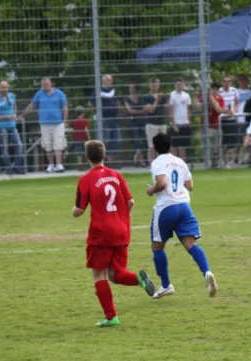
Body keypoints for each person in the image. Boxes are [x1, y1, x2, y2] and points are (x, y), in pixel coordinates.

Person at [72, 140, 155, 327]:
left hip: (101, 232)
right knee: (116, 274)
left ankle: (111, 317)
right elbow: (131, 202)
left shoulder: (86, 179)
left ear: (87, 157)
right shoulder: (116, 175)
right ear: (104, 155)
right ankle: (140, 280)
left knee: (99, 274)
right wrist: (121, 218)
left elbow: (79, 209)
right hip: (121, 230)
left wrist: (73, 211)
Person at [146, 133, 218, 299]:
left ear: (155, 148)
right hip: (184, 206)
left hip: (166, 207)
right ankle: (207, 272)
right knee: (191, 244)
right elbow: (190, 185)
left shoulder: (158, 162)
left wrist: (151, 190)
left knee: (157, 247)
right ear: (171, 146)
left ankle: (165, 285)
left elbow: (162, 183)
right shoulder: (180, 161)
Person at [21, 77, 68, 173]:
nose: (45, 86)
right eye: (43, 85)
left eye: (47, 84)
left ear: (50, 83)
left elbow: (65, 107)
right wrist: (22, 115)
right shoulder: (39, 94)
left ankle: (58, 164)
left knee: (58, 143)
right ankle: (51, 165)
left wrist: (65, 121)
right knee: (47, 144)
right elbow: (32, 105)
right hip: (44, 124)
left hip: (58, 123)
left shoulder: (59, 93)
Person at [0, 81, 24, 174]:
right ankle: (9, 169)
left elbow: (14, 105)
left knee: (19, 145)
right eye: (2, 87)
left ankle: (17, 167)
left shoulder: (11, 96)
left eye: (6, 87)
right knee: (4, 148)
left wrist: (15, 115)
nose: (4, 89)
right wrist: (6, 117)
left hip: (12, 126)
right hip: (1, 127)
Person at [143, 77, 168, 163]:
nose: (154, 87)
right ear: (150, 85)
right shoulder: (146, 97)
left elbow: (167, 109)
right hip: (151, 124)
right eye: (153, 85)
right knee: (152, 145)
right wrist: (157, 100)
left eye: (156, 85)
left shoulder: (163, 97)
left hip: (162, 123)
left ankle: (162, 163)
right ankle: (151, 164)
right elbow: (150, 110)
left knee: (163, 145)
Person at [123, 82, 147, 167]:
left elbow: (145, 109)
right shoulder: (127, 99)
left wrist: (137, 112)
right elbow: (130, 111)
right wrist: (140, 112)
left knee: (144, 139)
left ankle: (137, 157)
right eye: (130, 88)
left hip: (142, 121)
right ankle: (140, 159)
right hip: (133, 122)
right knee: (136, 139)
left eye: (132, 88)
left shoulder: (141, 98)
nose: (130, 89)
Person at [168, 78, 192, 160]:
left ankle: (183, 165)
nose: (179, 86)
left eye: (181, 84)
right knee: (174, 147)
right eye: (177, 84)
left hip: (184, 124)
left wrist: (189, 121)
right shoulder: (171, 95)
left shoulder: (187, 95)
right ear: (175, 85)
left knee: (183, 147)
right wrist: (173, 124)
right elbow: (170, 110)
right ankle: (174, 164)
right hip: (176, 124)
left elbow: (188, 110)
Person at [219, 75, 239, 168]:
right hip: (223, 119)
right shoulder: (220, 91)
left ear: (231, 82)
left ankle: (232, 161)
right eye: (225, 81)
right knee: (225, 142)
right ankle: (225, 162)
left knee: (233, 142)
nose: (226, 83)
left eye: (228, 81)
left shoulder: (234, 90)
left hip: (232, 118)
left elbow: (236, 102)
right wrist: (225, 111)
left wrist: (234, 111)